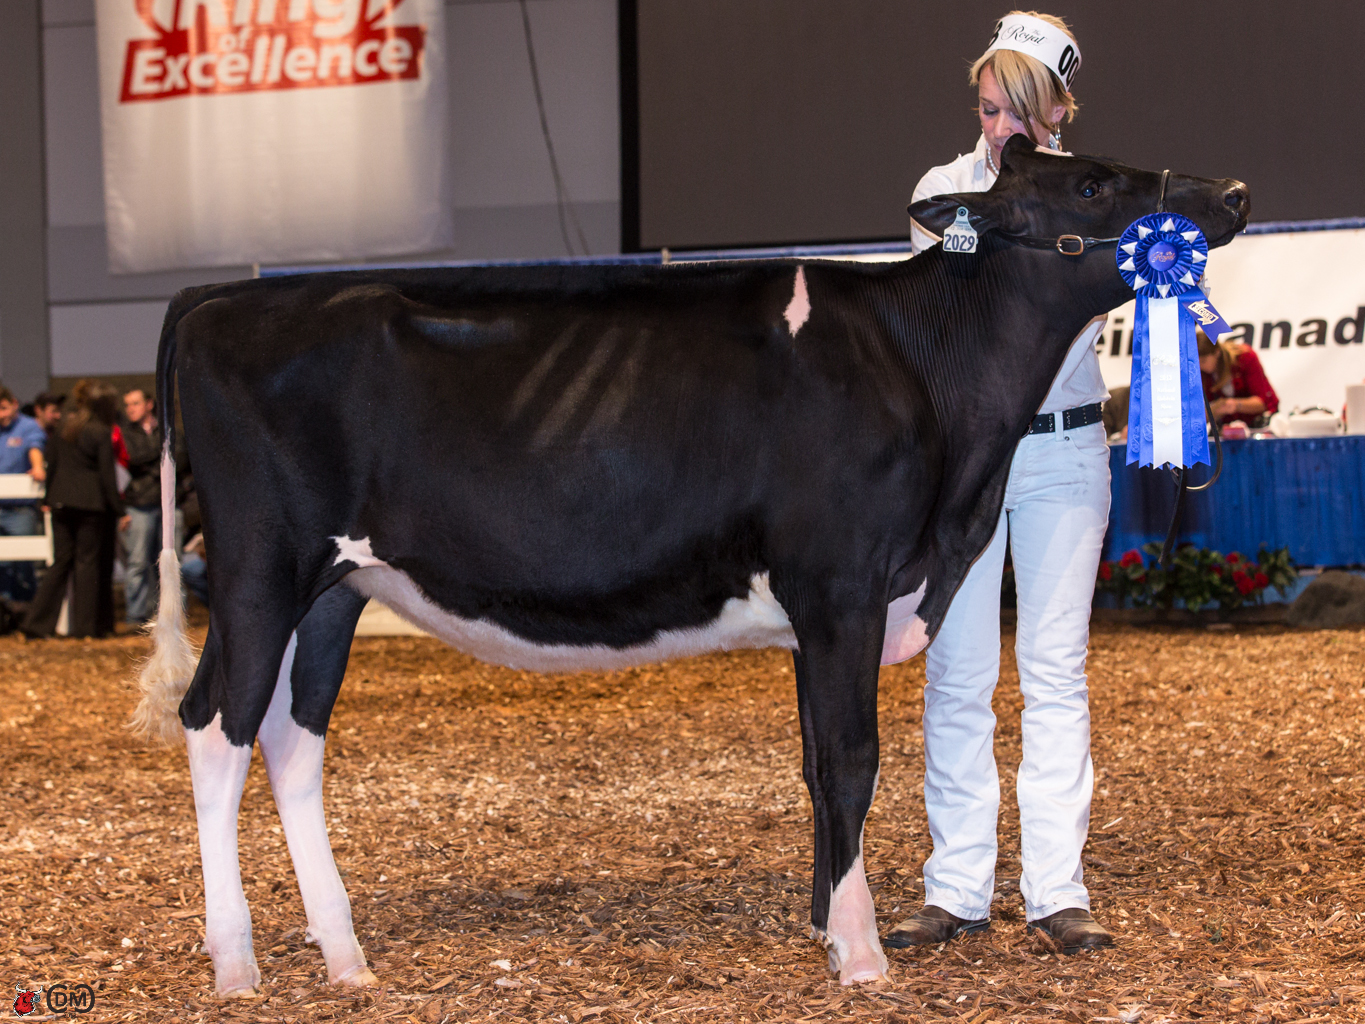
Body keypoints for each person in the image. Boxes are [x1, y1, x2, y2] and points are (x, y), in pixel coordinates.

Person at [893, 11, 1114, 954]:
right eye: (988, 111)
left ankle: (1057, 890)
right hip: (971, 454)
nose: (998, 132)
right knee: (956, 673)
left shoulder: (1099, 200)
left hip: (1066, 451)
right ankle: (956, 889)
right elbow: (944, 321)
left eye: (1018, 115)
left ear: (1060, 109)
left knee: (1054, 674)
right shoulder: (941, 193)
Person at [21, 381, 125, 639]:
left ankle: (36, 624)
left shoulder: (63, 427)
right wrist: (119, 509)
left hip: (59, 502)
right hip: (90, 504)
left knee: (60, 563)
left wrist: (47, 497)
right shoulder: (100, 431)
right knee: (86, 564)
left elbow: (52, 465)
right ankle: (85, 628)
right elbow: (107, 476)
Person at [120, 387, 165, 623]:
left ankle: (166, 613)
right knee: (137, 561)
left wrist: (149, 459)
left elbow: (181, 454)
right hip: (138, 503)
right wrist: (160, 454)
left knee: (167, 561)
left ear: (149, 404)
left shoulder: (167, 427)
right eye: (127, 405)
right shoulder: (125, 433)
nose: (130, 409)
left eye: (135, 403)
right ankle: (135, 615)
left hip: (167, 503)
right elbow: (132, 458)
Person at [0, 383, 48, 603]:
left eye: (4, 408)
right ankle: (5, 613)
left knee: (23, 562)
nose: (1, 415)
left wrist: (37, 466)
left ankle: (26, 611)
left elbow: (35, 447)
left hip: (20, 507)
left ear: (14, 404)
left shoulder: (28, 427)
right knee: (3, 565)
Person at [1199, 332, 1278, 428]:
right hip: (1230, 430)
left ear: (1217, 352)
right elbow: (1201, 417)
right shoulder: (1201, 373)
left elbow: (1262, 402)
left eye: (1203, 361)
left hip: (1261, 424)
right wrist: (1213, 410)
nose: (1200, 366)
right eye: (1197, 362)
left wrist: (1235, 405)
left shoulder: (1245, 357)